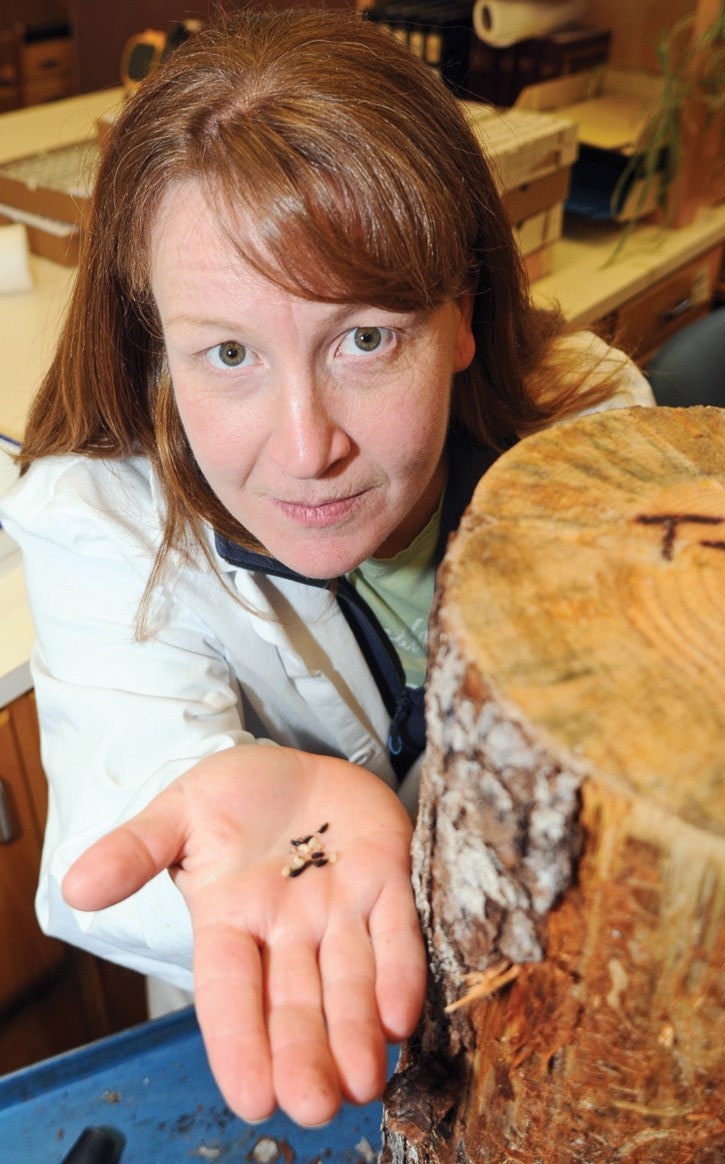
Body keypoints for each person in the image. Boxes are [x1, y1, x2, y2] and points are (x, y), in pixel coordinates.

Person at [0, 8, 653, 1129]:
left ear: (459, 311)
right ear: (157, 341)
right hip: (287, 1013)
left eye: (363, 338)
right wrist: (220, 802)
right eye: (230, 353)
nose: (307, 447)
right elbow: (117, 798)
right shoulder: (94, 513)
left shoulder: (587, 428)